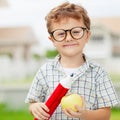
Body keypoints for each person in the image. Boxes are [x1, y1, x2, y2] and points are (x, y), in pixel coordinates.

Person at [25, 2, 119, 120]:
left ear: (87, 35)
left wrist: (85, 115)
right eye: (60, 34)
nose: (69, 38)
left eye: (75, 32)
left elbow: (106, 115)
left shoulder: (98, 73)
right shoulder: (45, 71)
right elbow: (33, 103)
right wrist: (35, 108)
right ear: (52, 40)